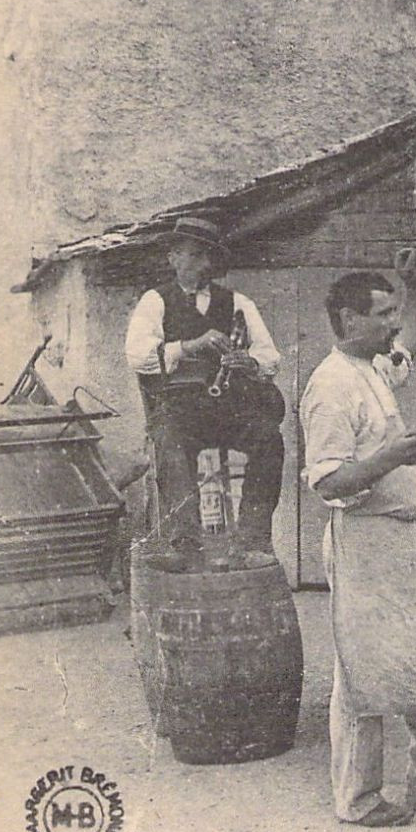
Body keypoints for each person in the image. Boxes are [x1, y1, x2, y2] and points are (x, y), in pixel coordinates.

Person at [299, 257, 416, 827]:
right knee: (365, 674)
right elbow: (328, 480)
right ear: (349, 319)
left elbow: (405, 358)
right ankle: (358, 800)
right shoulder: (330, 387)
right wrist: (391, 458)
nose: (393, 324)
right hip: (366, 545)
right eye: (383, 315)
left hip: (406, 540)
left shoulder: (373, 368)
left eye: (396, 312)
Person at [124, 217, 286, 569]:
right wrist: (189, 346)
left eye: (209, 257)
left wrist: (249, 362)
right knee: (170, 442)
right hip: (179, 411)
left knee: (268, 438)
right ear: (173, 257)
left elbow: (270, 356)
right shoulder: (156, 301)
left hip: (229, 408)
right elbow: (138, 355)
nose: (205, 265)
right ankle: (185, 545)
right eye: (196, 255)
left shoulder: (237, 301)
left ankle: (252, 542)